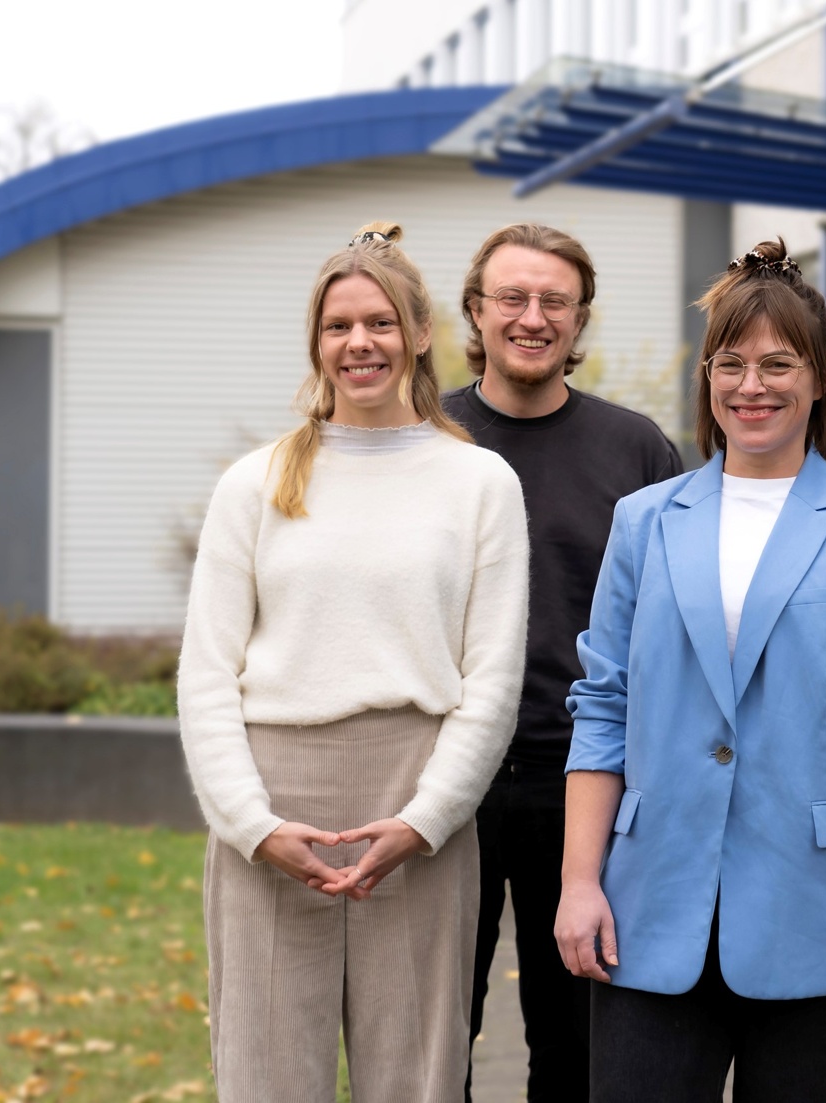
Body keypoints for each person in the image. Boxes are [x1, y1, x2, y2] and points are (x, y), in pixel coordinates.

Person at [555, 239, 826, 1103]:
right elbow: (603, 705)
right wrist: (578, 882)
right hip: (649, 906)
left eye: (778, 363)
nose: (752, 385)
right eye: (730, 364)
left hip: (825, 913)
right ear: (706, 377)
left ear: (818, 376)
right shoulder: (644, 520)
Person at [178, 222, 530, 1103]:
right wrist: (252, 824)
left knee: (414, 1077)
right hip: (270, 800)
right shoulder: (254, 484)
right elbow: (206, 675)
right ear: (317, 341)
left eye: (378, 322)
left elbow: (490, 676)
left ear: (419, 333)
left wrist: (426, 818)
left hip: (418, 804)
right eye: (338, 326)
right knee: (264, 1076)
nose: (358, 343)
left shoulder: (479, 482)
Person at [441, 222, 682, 1103]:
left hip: (585, 781)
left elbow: (671, 631)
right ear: (475, 311)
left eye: (555, 301)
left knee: (578, 1045)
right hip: (442, 781)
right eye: (512, 297)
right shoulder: (426, 438)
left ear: (580, 322)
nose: (532, 317)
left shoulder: (638, 452)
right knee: (433, 1039)